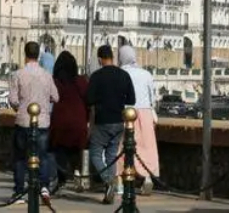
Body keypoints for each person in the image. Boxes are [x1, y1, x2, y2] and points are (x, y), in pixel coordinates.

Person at [8, 41, 59, 205]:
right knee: (42, 156)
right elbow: (56, 97)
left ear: (25, 54)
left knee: (20, 158)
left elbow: (13, 100)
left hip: (23, 121)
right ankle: (44, 187)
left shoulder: (17, 74)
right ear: (38, 55)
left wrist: (20, 105)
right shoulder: (46, 75)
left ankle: (19, 191)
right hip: (42, 122)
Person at [87, 45, 135, 204]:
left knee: (95, 153)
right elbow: (132, 99)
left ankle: (109, 181)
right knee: (111, 156)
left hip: (102, 121)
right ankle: (110, 191)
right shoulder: (124, 75)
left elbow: (89, 100)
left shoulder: (96, 76)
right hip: (119, 121)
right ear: (113, 57)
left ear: (100, 59)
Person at [116, 45, 159, 196]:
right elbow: (153, 98)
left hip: (127, 113)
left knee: (122, 148)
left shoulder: (120, 73)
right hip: (145, 113)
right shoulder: (146, 74)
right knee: (146, 147)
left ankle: (120, 182)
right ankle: (147, 177)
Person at [49, 51, 89, 190]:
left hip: (60, 121)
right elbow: (88, 100)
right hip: (79, 121)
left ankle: (61, 179)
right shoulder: (81, 81)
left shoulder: (55, 82)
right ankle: (77, 172)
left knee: (59, 150)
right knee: (77, 150)